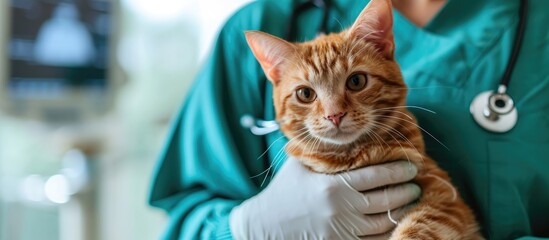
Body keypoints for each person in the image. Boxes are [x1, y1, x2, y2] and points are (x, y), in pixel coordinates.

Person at [148, 0, 549, 239]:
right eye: (306, 94)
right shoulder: (269, 21)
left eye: (355, 81)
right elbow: (183, 218)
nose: (334, 112)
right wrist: (252, 227)